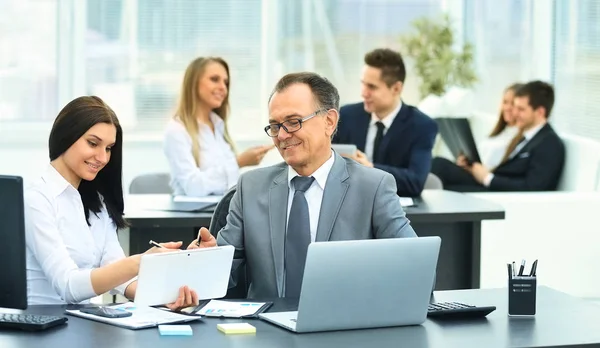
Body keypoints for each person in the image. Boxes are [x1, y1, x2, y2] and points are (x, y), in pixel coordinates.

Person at [188, 72, 417, 299]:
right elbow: (220, 276)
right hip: (266, 330)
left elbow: (415, 270)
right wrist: (206, 261)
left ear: (329, 121)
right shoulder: (250, 187)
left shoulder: (374, 187)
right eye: (275, 126)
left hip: (343, 329)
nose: (283, 135)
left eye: (293, 122)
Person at [25, 96, 198, 308]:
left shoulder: (96, 203)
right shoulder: (36, 199)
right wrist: (140, 261)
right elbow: (68, 286)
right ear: (66, 136)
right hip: (41, 331)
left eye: (108, 148)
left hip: (80, 326)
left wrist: (170, 293)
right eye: (93, 143)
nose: (103, 158)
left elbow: (121, 277)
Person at [332, 48, 438, 197]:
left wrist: (370, 169)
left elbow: (415, 181)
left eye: (372, 87)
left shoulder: (422, 126)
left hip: (395, 209)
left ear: (396, 88)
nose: (363, 93)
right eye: (363, 84)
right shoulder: (345, 116)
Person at [164, 57, 273, 197]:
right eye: (214, 79)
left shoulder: (218, 126)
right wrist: (239, 162)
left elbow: (229, 183)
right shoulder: (177, 130)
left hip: (223, 210)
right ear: (193, 83)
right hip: (193, 217)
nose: (223, 87)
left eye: (226, 82)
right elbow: (193, 187)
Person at [431, 80, 565, 192]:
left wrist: (488, 178)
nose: (514, 113)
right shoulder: (527, 138)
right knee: (439, 167)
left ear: (540, 112)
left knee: (442, 176)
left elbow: (533, 188)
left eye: (521, 109)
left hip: (500, 195)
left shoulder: (549, 144)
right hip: (493, 185)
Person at [477, 82, 524, 169]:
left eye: (513, 103)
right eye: (505, 102)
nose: (507, 108)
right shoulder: (499, 131)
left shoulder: (520, 137)